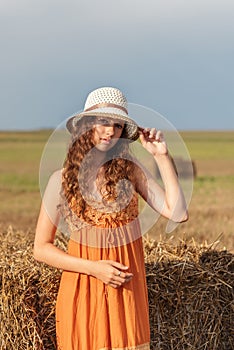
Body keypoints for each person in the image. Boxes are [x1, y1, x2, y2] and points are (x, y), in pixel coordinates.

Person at [34, 87, 188, 350]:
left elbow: (178, 213)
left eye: (117, 126)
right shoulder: (59, 181)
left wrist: (162, 157)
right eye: (104, 122)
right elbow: (41, 249)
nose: (110, 131)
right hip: (83, 293)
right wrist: (94, 269)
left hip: (125, 297)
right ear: (86, 126)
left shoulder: (131, 173)